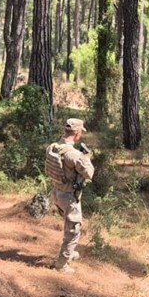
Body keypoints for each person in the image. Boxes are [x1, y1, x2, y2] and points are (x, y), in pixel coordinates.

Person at [44, 117, 95, 273]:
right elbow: (89, 173)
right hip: (69, 197)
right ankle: (61, 264)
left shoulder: (53, 147)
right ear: (77, 133)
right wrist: (87, 158)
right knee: (73, 230)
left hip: (57, 192)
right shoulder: (74, 155)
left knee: (68, 225)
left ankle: (69, 252)